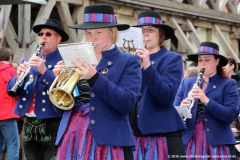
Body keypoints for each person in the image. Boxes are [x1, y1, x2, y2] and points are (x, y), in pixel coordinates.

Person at [52, 4, 142, 160]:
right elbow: (60, 110)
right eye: (88, 33)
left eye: (98, 32)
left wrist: (94, 77)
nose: (92, 39)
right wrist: (60, 82)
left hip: (108, 142)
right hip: (72, 136)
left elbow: (126, 103)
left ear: (112, 33)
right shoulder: (76, 59)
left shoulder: (128, 60)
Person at [7, 19, 69, 160]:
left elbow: (64, 92)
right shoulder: (28, 60)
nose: (43, 37)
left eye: (48, 34)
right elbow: (11, 90)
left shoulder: (64, 62)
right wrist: (18, 78)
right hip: (29, 123)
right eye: (41, 34)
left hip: (54, 123)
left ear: (58, 39)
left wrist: (44, 71)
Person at [129, 11, 186, 160]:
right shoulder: (129, 59)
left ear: (160, 34)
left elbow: (166, 97)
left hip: (162, 135)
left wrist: (147, 66)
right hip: (132, 135)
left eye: (150, 30)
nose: (145, 34)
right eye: (141, 31)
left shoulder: (172, 58)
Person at [174, 42, 239, 159]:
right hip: (189, 141)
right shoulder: (186, 83)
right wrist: (181, 108)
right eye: (200, 60)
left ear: (217, 61)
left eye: (207, 60)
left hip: (217, 142)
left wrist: (206, 100)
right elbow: (172, 113)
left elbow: (230, 115)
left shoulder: (228, 84)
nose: (202, 63)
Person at [0, 47, 19, 160]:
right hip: (7, 115)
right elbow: (17, 92)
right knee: (12, 146)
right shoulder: (12, 72)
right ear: (10, 59)